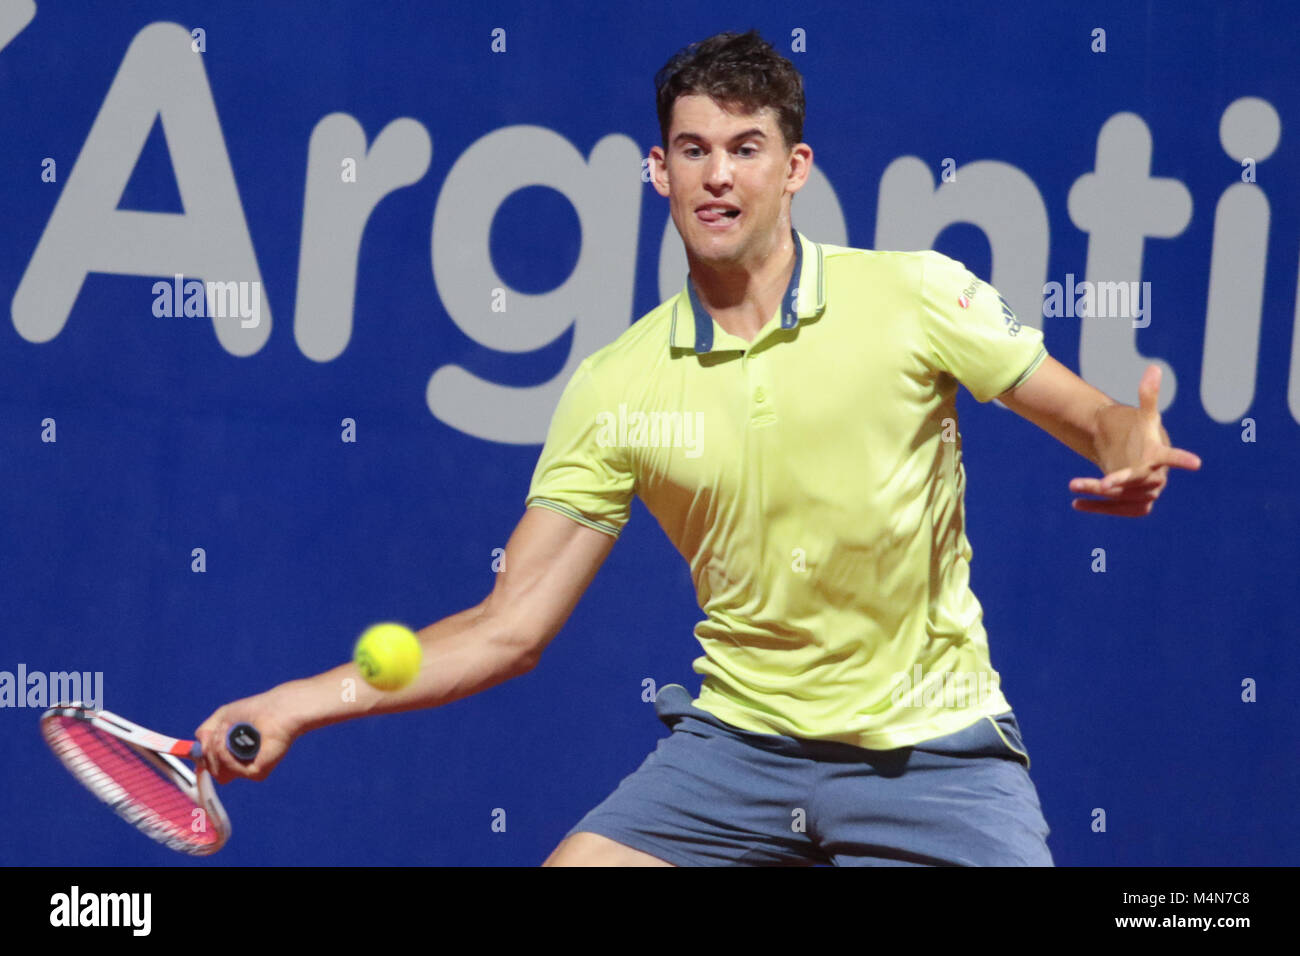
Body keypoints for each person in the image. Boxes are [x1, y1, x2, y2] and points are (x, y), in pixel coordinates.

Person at [196, 29, 1202, 866]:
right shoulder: (618, 385)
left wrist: (1132, 436)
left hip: (932, 754)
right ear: (657, 169)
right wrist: (297, 701)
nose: (718, 174)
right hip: (740, 756)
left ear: (795, 167)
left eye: (747, 146)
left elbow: (1095, 416)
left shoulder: (914, 297)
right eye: (691, 148)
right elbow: (510, 626)